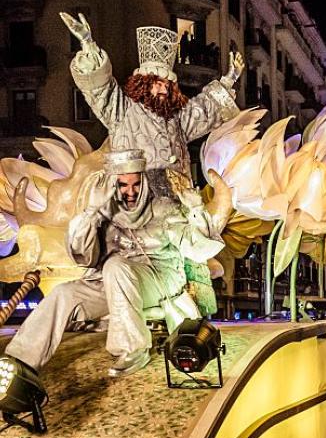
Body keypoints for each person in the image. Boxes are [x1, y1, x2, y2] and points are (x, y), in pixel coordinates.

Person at [3, 150, 205, 377]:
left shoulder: (163, 208)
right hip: (111, 281)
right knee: (64, 293)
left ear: (144, 182)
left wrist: (197, 211)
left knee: (116, 266)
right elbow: (83, 256)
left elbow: (198, 249)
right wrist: (91, 213)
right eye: (123, 185)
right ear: (113, 185)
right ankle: (18, 362)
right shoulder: (103, 213)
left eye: (136, 184)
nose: (130, 192)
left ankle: (133, 348)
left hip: (159, 278)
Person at [61, 12, 243, 196]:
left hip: (178, 201)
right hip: (136, 204)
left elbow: (203, 110)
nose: (164, 90)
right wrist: (87, 43)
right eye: (158, 84)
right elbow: (100, 89)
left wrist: (230, 79)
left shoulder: (176, 119)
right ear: (144, 84)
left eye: (167, 85)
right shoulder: (121, 111)